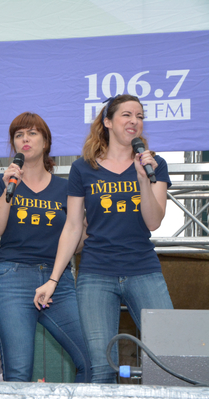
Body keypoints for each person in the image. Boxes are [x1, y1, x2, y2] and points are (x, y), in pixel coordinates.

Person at [34, 94, 173, 383]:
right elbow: (72, 227)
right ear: (108, 122)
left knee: (168, 356)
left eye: (140, 116)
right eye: (126, 115)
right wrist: (53, 279)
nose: (134, 121)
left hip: (143, 268)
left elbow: (154, 221)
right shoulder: (83, 168)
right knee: (101, 367)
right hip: (96, 273)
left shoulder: (154, 164)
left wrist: (144, 180)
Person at [0, 112, 90, 382]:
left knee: (93, 361)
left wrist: (83, 228)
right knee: (18, 372)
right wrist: (10, 188)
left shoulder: (67, 187)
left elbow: (78, 242)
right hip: (13, 279)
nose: (25, 139)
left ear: (46, 142)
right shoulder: (1, 182)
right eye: (19, 135)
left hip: (59, 281)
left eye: (32, 133)